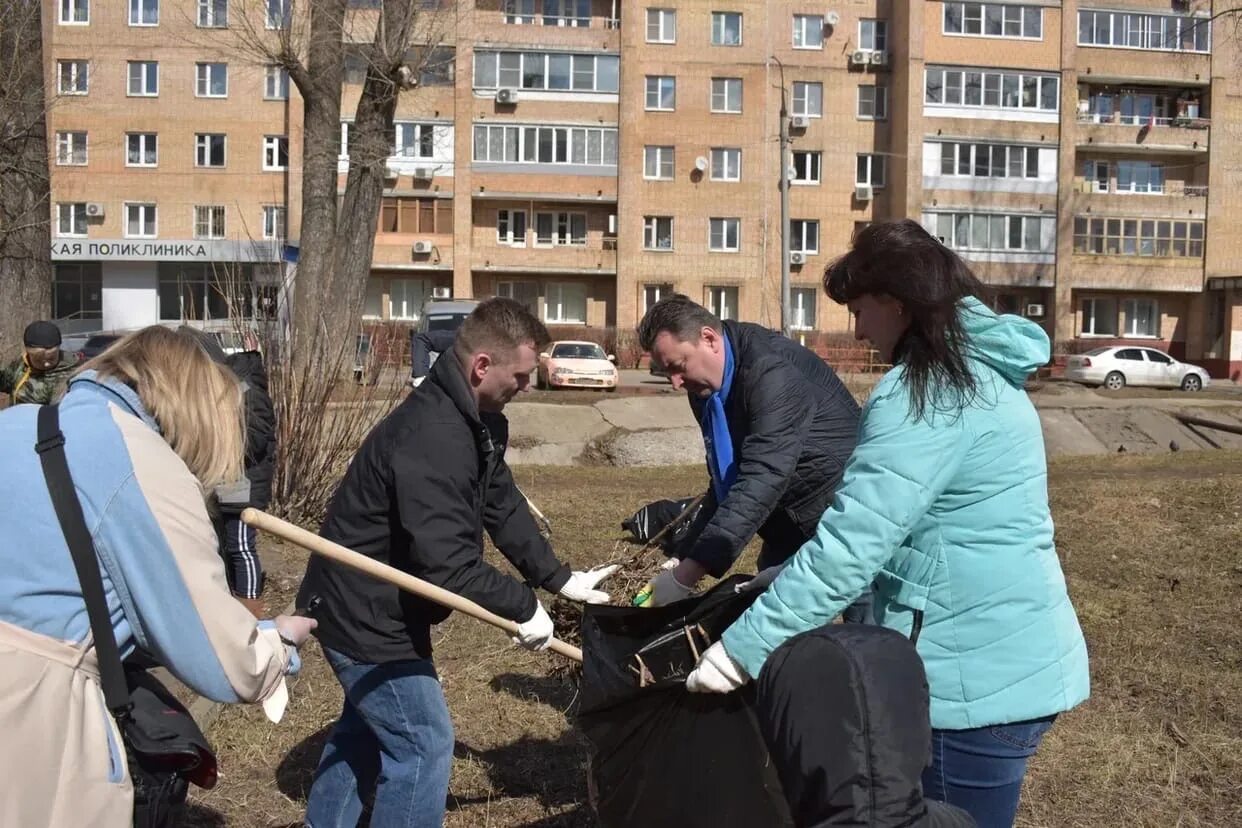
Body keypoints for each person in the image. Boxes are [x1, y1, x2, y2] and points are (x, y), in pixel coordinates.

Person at [685, 220, 1090, 828]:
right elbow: (909, 528)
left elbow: (852, 548)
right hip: (1011, 651)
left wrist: (740, 652)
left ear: (896, 302)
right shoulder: (977, 374)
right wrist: (781, 576)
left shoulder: (925, 394)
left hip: (967, 678)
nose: (857, 330)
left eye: (859, 310)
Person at [297, 297, 616, 828]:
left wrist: (558, 579)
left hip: (386, 605)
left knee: (370, 729)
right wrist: (522, 606)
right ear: (482, 366)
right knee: (422, 743)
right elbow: (448, 564)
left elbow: (500, 503)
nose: (528, 386)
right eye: (521, 375)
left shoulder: (475, 419)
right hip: (362, 609)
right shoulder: (434, 434)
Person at [0, 326, 314, 827]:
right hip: (33, 717)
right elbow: (226, 661)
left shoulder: (17, 423)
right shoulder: (143, 463)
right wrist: (279, 642)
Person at [631, 295, 864, 617]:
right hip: (785, 523)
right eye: (665, 372)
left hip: (844, 521)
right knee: (773, 624)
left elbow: (762, 475)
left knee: (868, 628)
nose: (675, 383)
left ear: (709, 339)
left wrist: (687, 574)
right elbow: (725, 480)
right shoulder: (706, 390)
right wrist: (682, 558)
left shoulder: (771, 371)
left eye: (678, 367)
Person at [181, 328, 278, 618]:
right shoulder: (208, 391)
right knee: (219, 544)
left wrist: (215, 440)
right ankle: (227, 603)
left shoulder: (243, 388)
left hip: (241, 480)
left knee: (241, 545)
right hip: (219, 479)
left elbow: (256, 437)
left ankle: (250, 608)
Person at [0, 320, 83, 406]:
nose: (46, 364)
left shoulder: (74, 373)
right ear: (28, 353)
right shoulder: (21, 365)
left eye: (51, 358)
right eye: (38, 360)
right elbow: (3, 383)